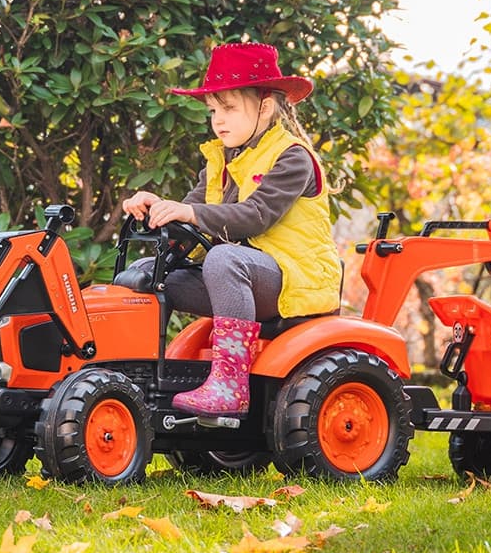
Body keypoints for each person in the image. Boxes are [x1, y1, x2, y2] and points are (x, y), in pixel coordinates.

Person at [122, 42, 340, 425]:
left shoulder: (293, 157)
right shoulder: (222, 161)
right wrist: (155, 209)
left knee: (224, 259)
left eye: (229, 108)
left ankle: (230, 383)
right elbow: (190, 219)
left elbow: (256, 216)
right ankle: (136, 380)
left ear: (266, 107)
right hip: (244, 277)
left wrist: (189, 211)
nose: (218, 120)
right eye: (212, 111)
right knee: (146, 274)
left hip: (293, 281)